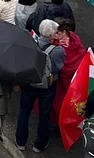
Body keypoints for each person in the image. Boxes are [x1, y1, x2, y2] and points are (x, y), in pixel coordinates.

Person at [17, 19, 66, 151]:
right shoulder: (57, 51)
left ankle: (20, 142)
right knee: (45, 115)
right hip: (47, 86)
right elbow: (57, 68)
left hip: (29, 82)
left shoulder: (29, 44)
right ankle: (39, 144)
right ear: (52, 35)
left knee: (24, 112)